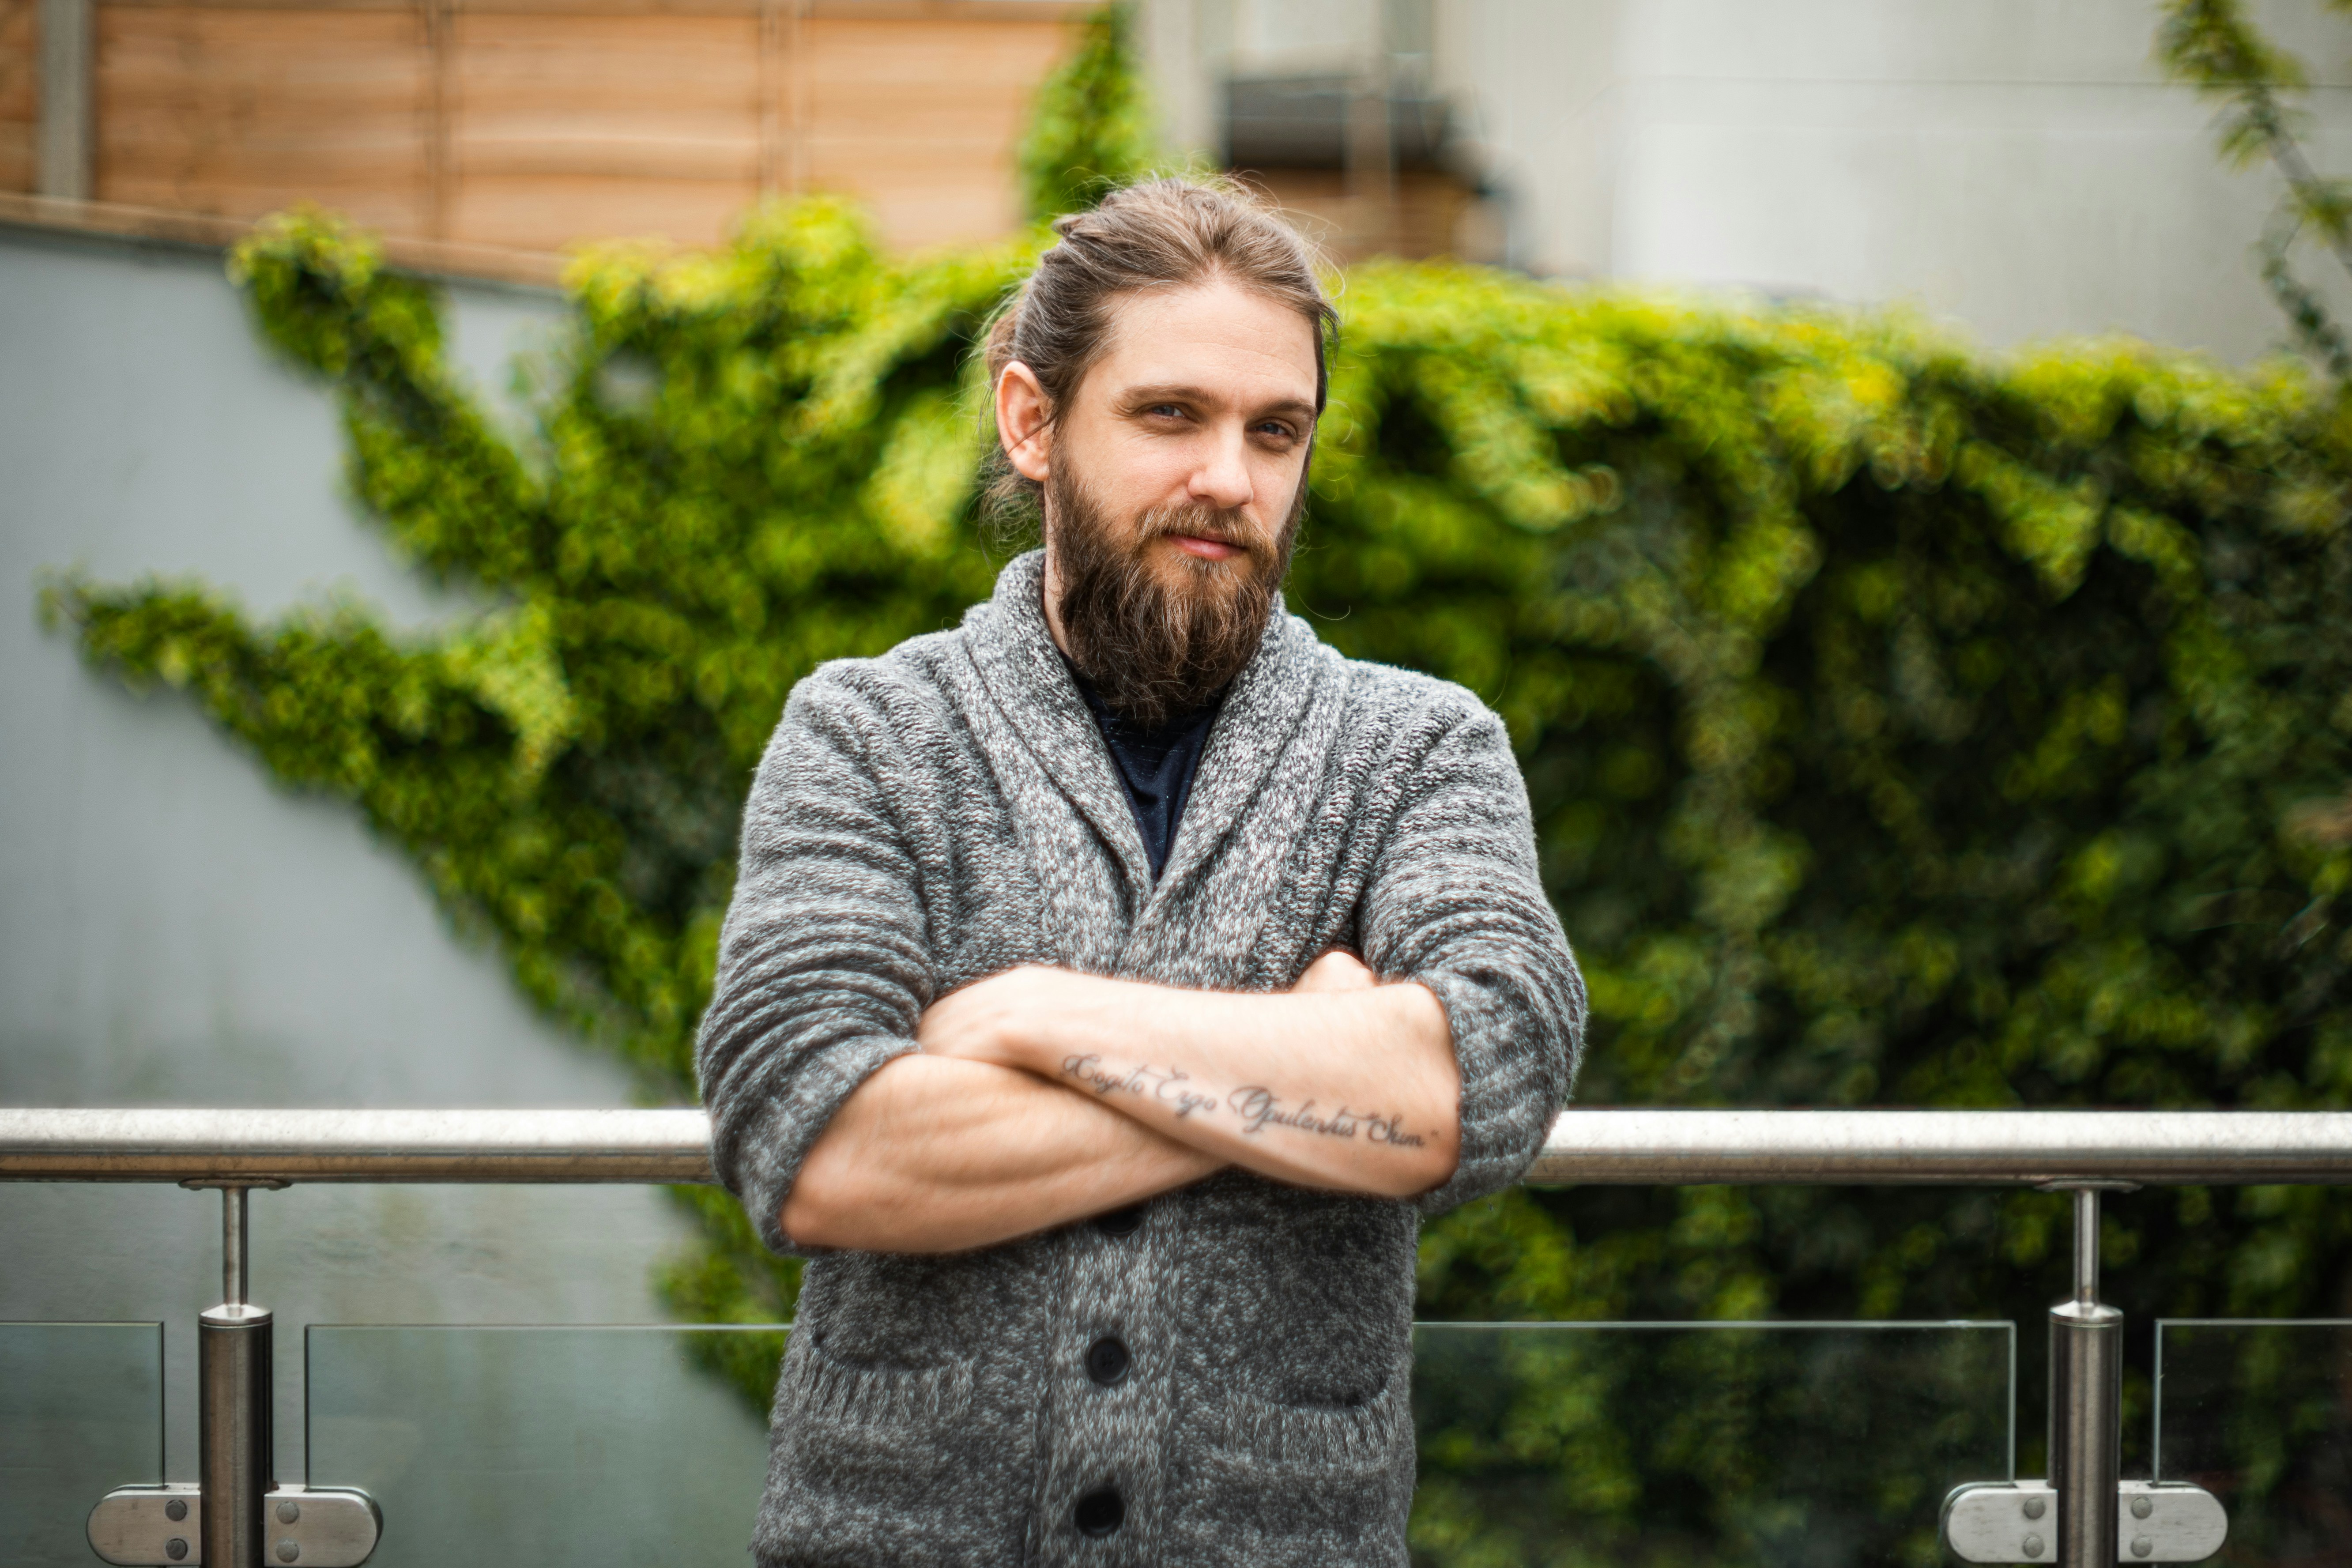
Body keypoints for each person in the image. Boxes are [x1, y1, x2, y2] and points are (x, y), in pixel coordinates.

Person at [697, 176, 1584, 1567]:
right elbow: (811, 1141)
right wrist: (1313, 1052)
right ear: (1033, 421)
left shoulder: (1418, 749)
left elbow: (1487, 1082)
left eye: (1275, 430)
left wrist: (1034, 1016)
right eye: (1171, 414)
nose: (1230, 477)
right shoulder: (870, 733)